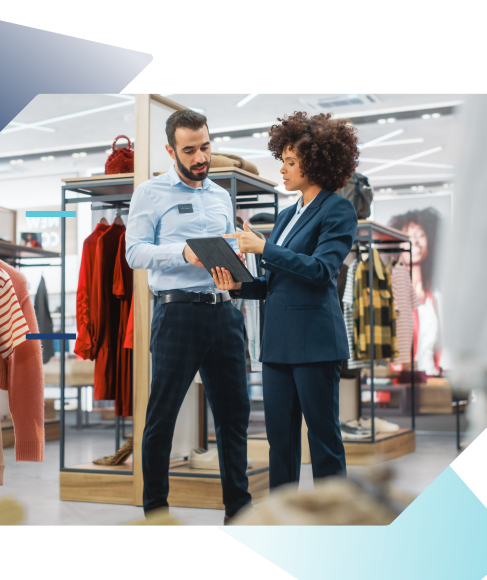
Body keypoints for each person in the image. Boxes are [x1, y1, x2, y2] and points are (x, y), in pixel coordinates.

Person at [211, 111, 359, 491]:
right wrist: (239, 285)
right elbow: (277, 284)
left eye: (291, 163)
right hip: (278, 346)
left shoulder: (338, 209)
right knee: (280, 443)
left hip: (315, 345)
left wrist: (265, 247)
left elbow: (321, 270)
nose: (283, 170)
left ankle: (332, 525)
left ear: (316, 162)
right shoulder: (287, 215)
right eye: (284, 161)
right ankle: (280, 523)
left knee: (324, 442)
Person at [125, 109, 251, 524]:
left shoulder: (221, 196)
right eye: (190, 150)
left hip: (224, 314)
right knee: (161, 418)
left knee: (234, 419)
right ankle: (156, 513)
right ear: (171, 150)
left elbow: (228, 249)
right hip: (176, 314)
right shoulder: (150, 192)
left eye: (206, 147)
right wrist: (182, 252)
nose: (200, 157)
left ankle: (239, 512)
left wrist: (234, 269)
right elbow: (134, 251)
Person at [389, 208, 443, 375]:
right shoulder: (392, 293)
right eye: (408, 238)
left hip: (432, 381)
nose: (416, 243)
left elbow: (439, 349)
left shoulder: (434, 298)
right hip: (404, 384)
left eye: (420, 235)